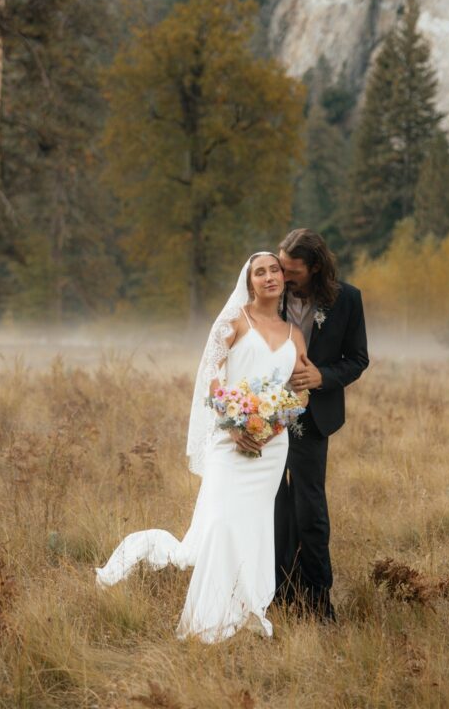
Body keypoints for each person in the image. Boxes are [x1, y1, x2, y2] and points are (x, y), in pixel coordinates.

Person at [95, 252, 308, 643]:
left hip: (272, 449)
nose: (268, 277)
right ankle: (207, 620)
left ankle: (247, 607)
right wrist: (233, 424)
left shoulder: (294, 334)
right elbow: (212, 376)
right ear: (249, 282)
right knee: (221, 523)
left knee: (256, 526)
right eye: (259, 272)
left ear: (283, 277)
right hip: (231, 441)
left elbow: (301, 388)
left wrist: (280, 419)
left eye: (273, 270)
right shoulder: (233, 323)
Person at [274, 228, 369, 620]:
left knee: (309, 508)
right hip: (265, 417)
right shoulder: (266, 291)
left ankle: (317, 602)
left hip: (312, 418)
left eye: (291, 271)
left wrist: (322, 377)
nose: (282, 276)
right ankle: (278, 593)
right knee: (274, 507)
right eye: (280, 266)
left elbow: (357, 359)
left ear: (314, 268)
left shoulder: (347, 299)